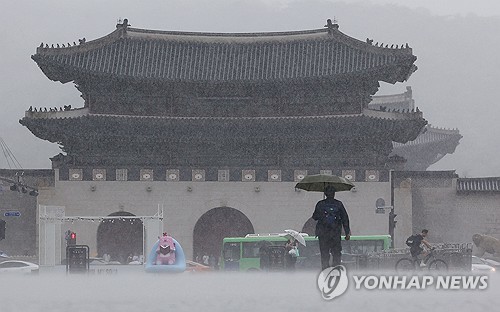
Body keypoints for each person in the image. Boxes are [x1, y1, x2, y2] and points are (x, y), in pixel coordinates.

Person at [312, 185, 351, 270]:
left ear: (325, 194)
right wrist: (347, 232)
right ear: (334, 194)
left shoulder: (320, 204)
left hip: (323, 234)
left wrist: (321, 213)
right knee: (336, 253)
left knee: (324, 254)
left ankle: (325, 270)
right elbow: (345, 218)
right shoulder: (339, 204)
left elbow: (314, 217)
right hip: (335, 233)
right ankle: (336, 269)